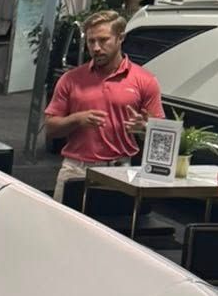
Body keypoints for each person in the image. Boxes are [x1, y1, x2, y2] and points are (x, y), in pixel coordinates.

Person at [44, 10, 163, 203]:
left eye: (103, 40)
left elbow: (162, 137)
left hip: (120, 171)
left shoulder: (144, 80)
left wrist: (145, 128)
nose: (96, 48)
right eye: (91, 42)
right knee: (60, 230)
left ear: (120, 38)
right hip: (75, 169)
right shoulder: (71, 79)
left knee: (114, 230)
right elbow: (50, 129)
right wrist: (77, 119)